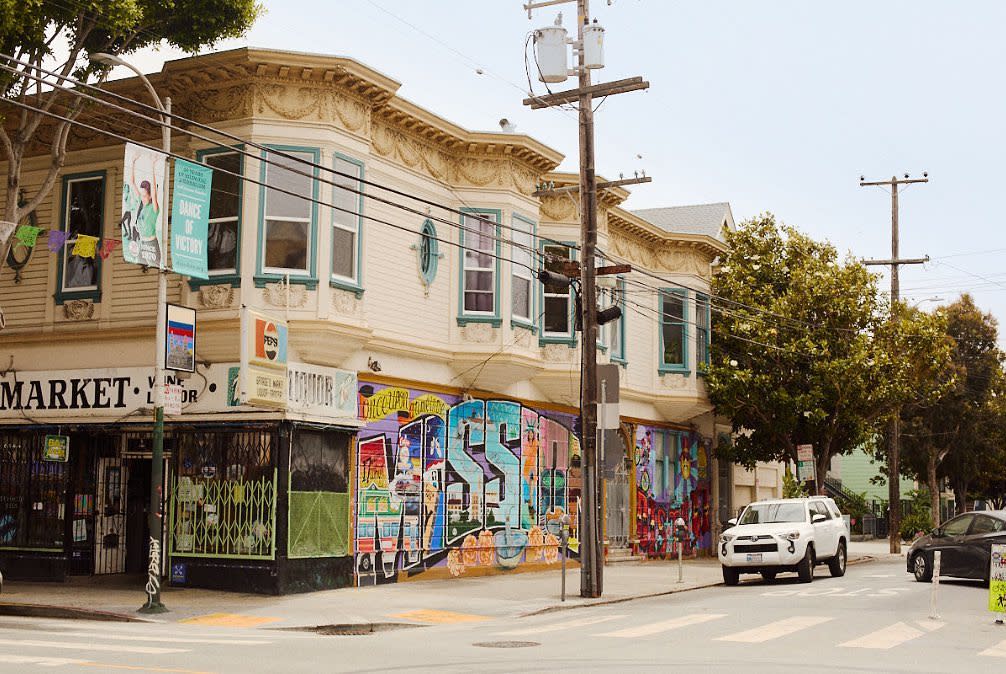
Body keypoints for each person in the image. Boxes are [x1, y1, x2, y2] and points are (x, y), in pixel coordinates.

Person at [131, 154, 161, 266]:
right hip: (142, 243)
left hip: (151, 244)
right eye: (141, 195)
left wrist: (153, 166)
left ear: (150, 196)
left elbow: (154, 190)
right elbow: (132, 183)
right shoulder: (141, 204)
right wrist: (132, 163)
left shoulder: (154, 208)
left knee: (156, 267)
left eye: (144, 195)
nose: (142, 198)